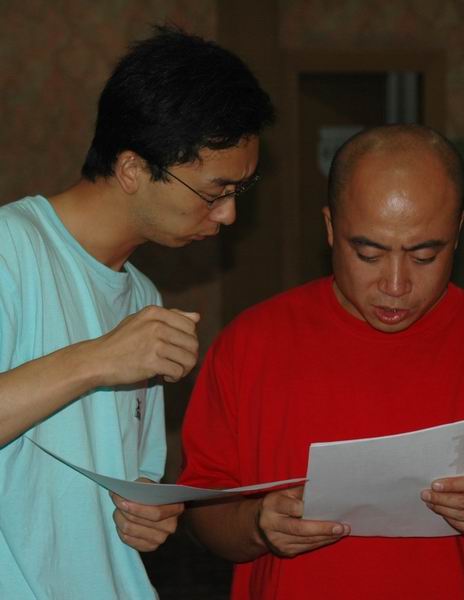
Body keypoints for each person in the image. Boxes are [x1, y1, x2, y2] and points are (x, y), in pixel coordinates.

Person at [0, 25, 274, 600]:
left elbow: (128, 480)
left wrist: (149, 514)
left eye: (240, 192)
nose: (227, 215)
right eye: (214, 191)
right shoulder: (11, 250)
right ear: (132, 170)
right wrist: (98, 359)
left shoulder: (145, 299)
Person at [179, 124, 464, 599]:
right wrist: (257, 524)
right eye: (368, 253)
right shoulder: (252, 344)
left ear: (459, 233)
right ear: (330, 229)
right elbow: (202, 518)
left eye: (425, 256)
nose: (395, 284)